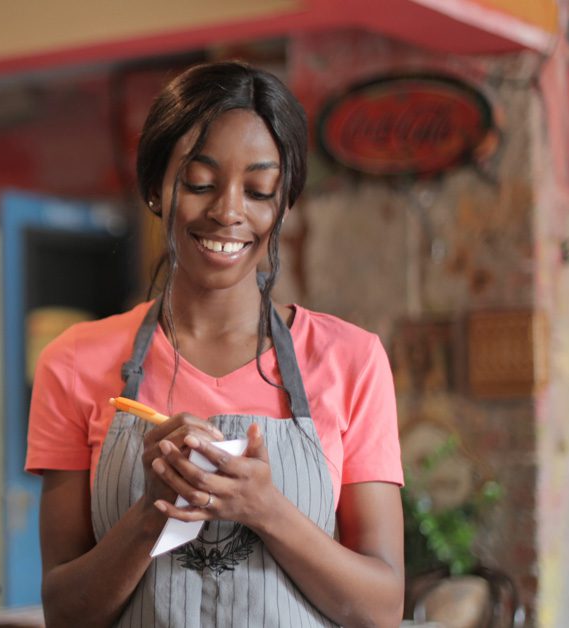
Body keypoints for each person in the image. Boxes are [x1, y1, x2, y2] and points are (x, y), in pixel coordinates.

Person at [25, 60, 405, 627]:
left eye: (258, 190)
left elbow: (381, 608)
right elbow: (65, 612)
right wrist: (153, 512)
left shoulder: (352, 360)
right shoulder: (76, 362)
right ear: (156, 187)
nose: (229, 211)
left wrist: (266, 509)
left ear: (283, 204)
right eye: (201, 183)